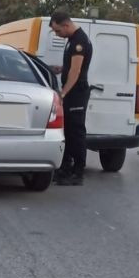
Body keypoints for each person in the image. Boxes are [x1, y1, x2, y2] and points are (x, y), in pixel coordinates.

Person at [48, 12, 92, 186]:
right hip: (72, 92)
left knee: (76, 132)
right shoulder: (72, 40)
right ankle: (65, 168)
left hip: (76, 93)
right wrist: (61, 69)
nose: (58, 35)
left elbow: (76, 71)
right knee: (66, 131)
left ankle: (78, 172)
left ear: (66, 25)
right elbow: (70, 68)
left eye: (58, 31)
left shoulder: (79, 41)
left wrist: (63, 92)